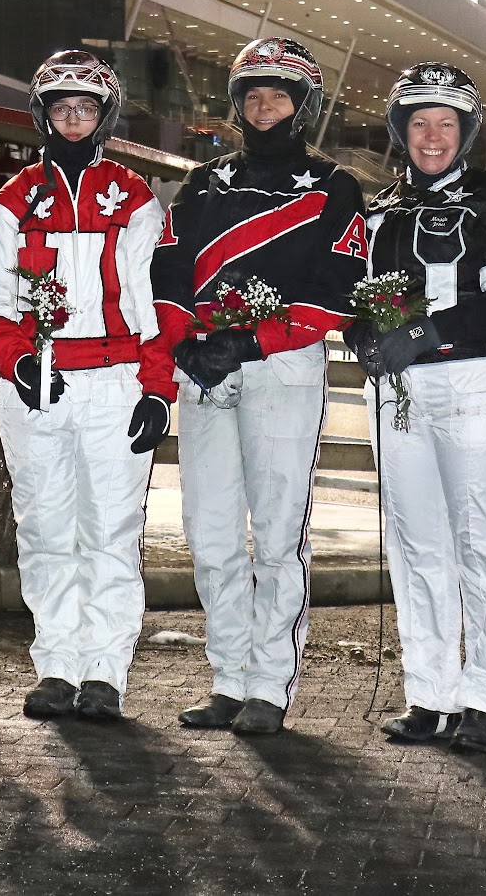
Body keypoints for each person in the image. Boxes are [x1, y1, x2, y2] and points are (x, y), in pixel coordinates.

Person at [151, 37, 366, 735]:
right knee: (210, 532)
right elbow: (169, 268)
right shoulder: (203, 181)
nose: (264, 105)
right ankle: (228, 677)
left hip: (282, 365)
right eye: (253, 93)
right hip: (204, 363)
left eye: (279, 94)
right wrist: (185, 341)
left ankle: (270, 684)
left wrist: (253, 340)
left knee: (276, 535)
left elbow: (338, 287)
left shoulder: (334, 185)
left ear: (304, 105)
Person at [0, 51, 173, 721]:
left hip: (115, 382)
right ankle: (55, 666)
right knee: (46, 529)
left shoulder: (135, 197)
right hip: (38, 385)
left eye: (85, 108)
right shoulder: (14, 197)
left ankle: (105, 671)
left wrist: (157, 388)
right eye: (61, 107)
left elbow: (158, 303)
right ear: (42, 115)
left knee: (111, 532)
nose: (73, 119)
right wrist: (17, 360)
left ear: (104, 116)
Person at [344, 64, 486, 753]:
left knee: (479, 541)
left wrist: (426, 331)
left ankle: (483, 698)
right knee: (415, 544)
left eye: (446, 123)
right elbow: (355, 297)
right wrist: (363, 335)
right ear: (400, 130)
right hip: (400, 390)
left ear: (466, 132)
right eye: (419, 122)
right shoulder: (379, 208)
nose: (432, 136)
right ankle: (430, 692)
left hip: (475, 381)